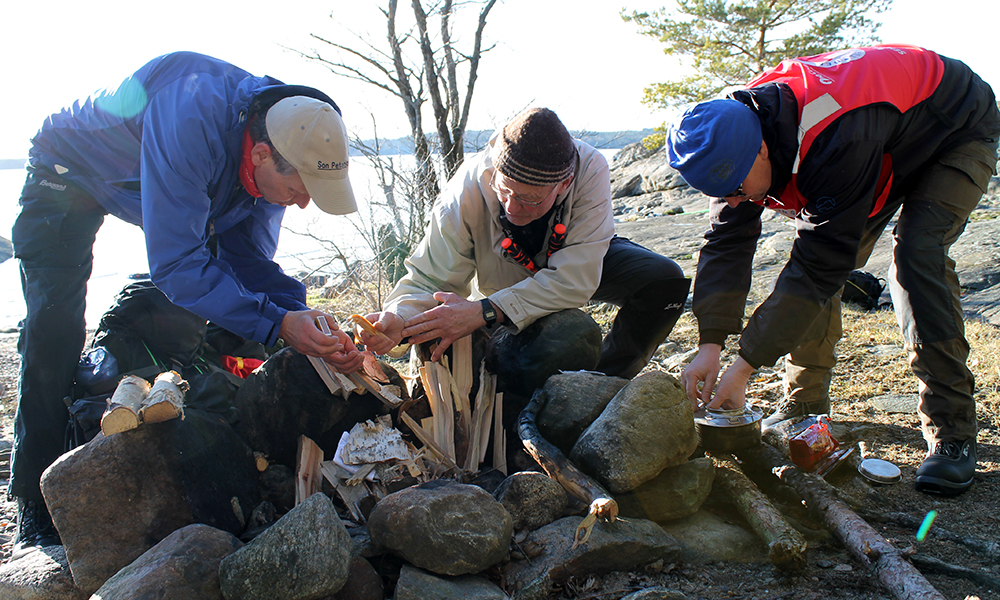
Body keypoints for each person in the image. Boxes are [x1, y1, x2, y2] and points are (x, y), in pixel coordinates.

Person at [9, 51, 365, 557]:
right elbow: (176, 264)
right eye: (300, 189)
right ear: (262, 156)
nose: (304, 202)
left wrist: (300, 315)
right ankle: (33, 500)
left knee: (223, 310)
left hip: (166, 177)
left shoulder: (288, 132)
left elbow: (247, 264)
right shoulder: (191, 117)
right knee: (54, 330)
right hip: (66, 172)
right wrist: (278, 323)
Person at [668, 44, 1000, 496]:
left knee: (916, 256)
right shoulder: (727, 139)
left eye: (736, 189)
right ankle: (805, 403)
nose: (730, 200)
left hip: (955, 124)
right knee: (816, 260)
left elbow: (820, 265)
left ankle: (953, 431)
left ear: (762, 149)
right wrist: (710, 344)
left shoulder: (835, 136)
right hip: (882, 141)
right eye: (719, 192)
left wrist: (743, 366)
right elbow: (727, 242)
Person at [361, 107, 690, 381]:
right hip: (501, 286)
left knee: (663, 281)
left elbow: (575, 279)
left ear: (564, 184)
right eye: (504, 191)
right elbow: (429, 279)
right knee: (545, 349)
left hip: (571, 262)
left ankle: (604, 383)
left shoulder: (589, 170)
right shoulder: (465, 191)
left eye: (530, 199)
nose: (512, 208)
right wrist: (399, 316)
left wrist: (486, 311)